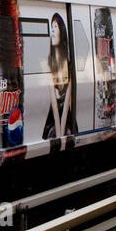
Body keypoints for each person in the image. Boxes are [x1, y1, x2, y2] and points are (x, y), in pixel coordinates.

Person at [43, 11, 71, 150]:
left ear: (62, 30)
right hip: (53, 119)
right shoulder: (47, 63)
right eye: (51, 27)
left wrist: (63, 134)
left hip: (68, 117)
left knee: (70, 133)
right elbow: (54, 103)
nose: (52, 31)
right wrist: (59, 134)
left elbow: (66, 104)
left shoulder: (70, 64)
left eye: (55, 27)